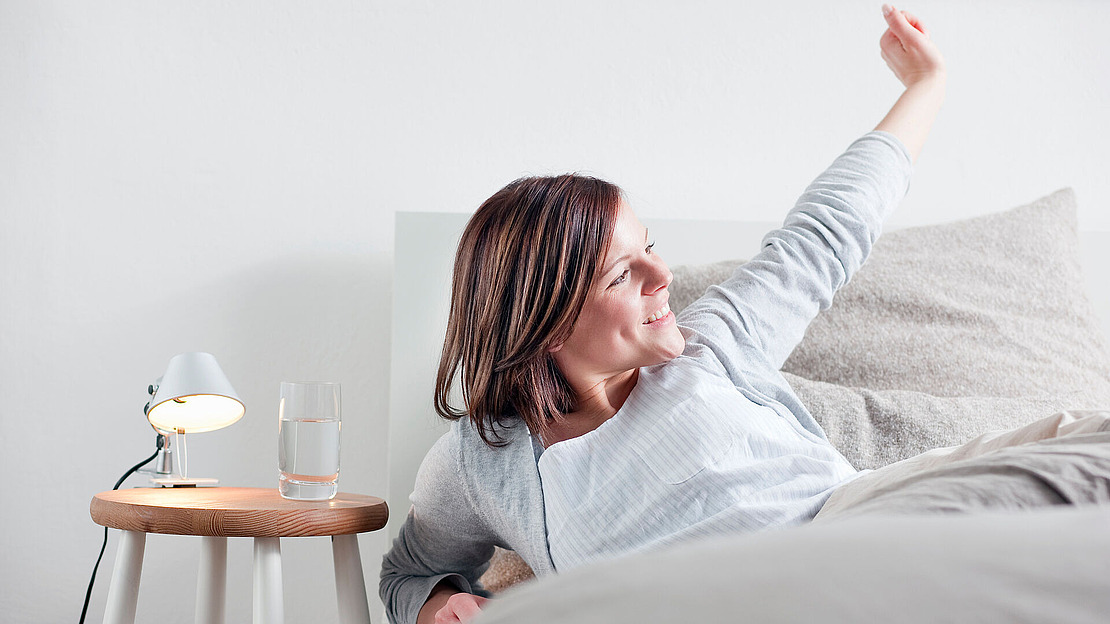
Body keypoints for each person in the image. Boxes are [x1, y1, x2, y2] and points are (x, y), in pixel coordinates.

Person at [381, 5, 946, 624]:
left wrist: (925, 86)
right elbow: (405, 573)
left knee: (1064, 442)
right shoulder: (485, 461)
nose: (664, 277)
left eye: (648, 247)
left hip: (873, 548)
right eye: (624, 274)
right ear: (544, 325)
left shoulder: (718, 342)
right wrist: (438, 607)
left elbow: (826, 231)